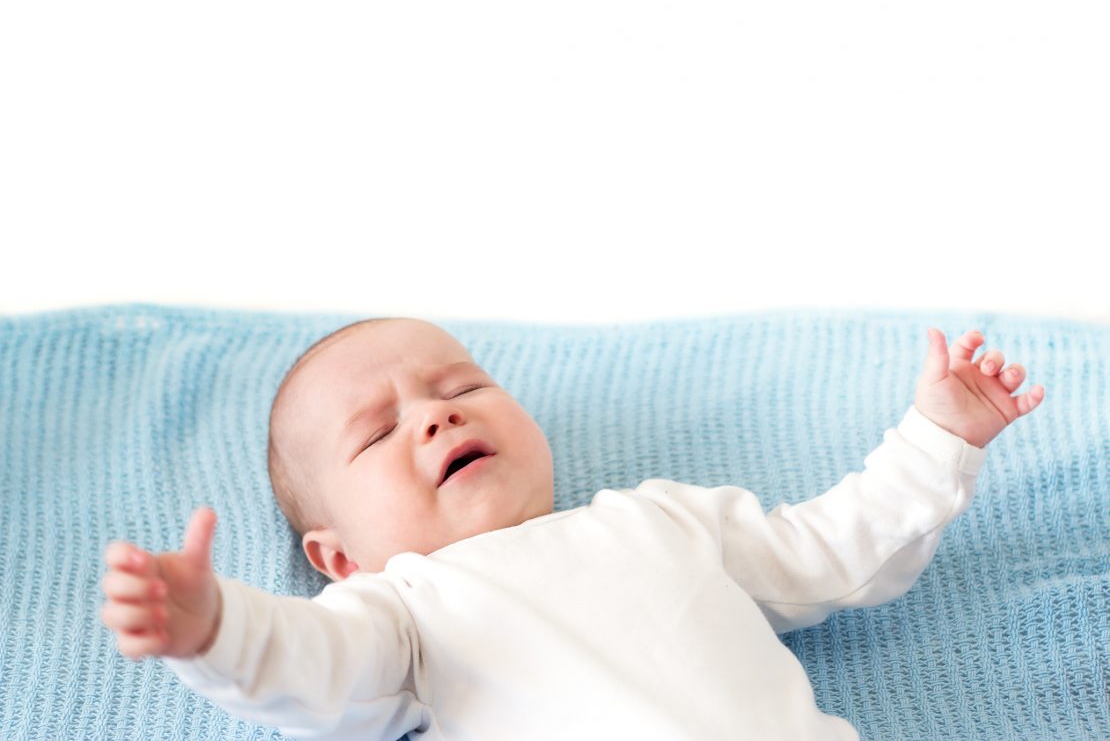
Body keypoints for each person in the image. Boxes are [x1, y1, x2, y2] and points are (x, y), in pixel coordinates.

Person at [99, 318, 1046, 740]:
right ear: (340, 558)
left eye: (461, 385)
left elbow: (834, 551)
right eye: (380, 431)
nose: (434, 415)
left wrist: (936, 438)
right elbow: (314, 664)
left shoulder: (663, 519)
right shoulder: (401, 610)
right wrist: (219, 629)